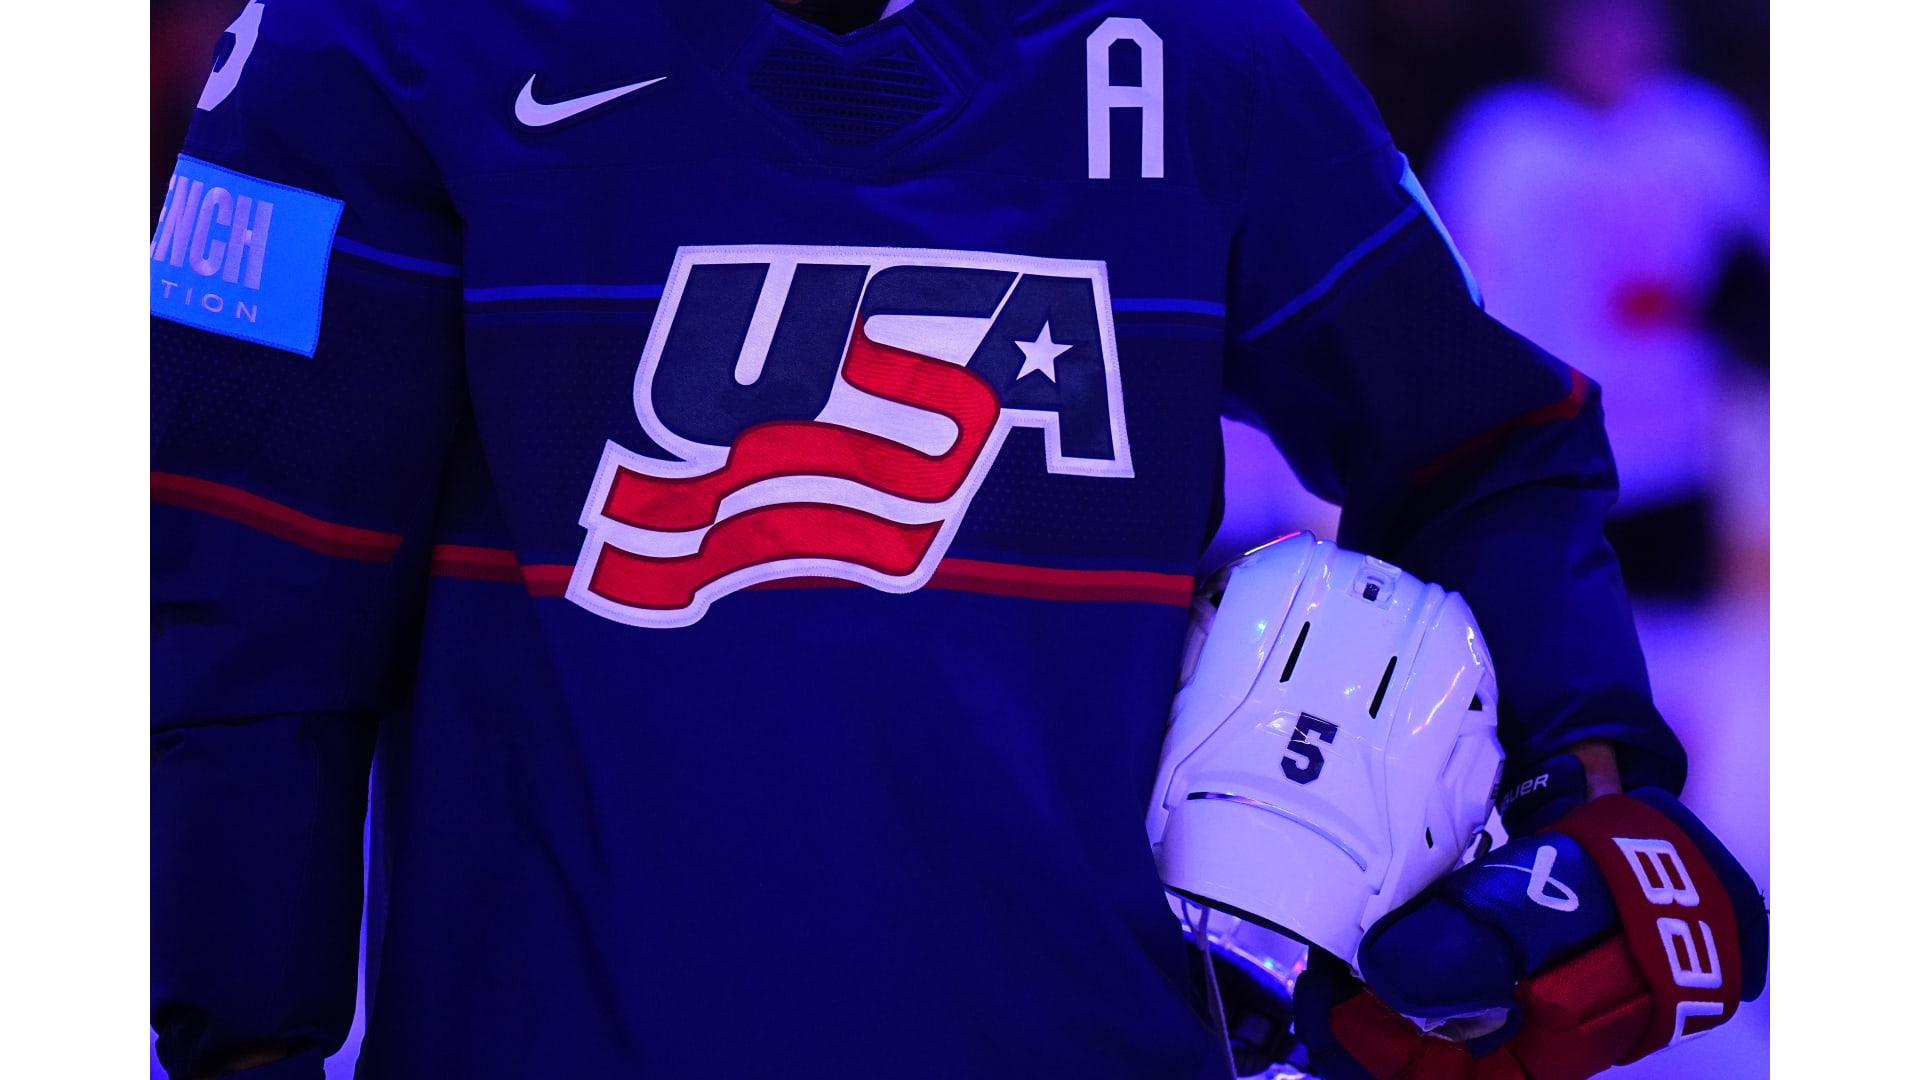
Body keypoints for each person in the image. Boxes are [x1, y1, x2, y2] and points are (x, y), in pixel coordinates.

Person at [150, 1, 1754, 1077]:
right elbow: (232, 589)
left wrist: (1591, 799)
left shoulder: (1213, 55)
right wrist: (240, 1035)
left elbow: (1483, 444)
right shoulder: (365, 46)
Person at [1425, 0, 1771, 602]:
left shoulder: (1700, 128)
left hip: (1678, 441)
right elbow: (1453, 283)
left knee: (1677, 632)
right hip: (1551, 445)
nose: (1610, 40)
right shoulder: (1505, 139)